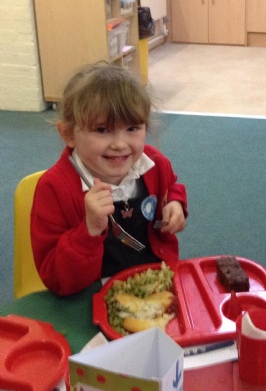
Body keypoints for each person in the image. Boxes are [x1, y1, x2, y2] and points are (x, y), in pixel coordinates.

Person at [31, 62, 188, 296]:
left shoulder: (154, 165)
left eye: (132, 128)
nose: (120, 144)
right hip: (91, 294)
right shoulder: (53, 189)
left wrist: (175, 203)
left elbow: (171, 186)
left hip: (156, 284)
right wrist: (89, 230)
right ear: (68, 134)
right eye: (102, 130)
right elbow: (56, 278)